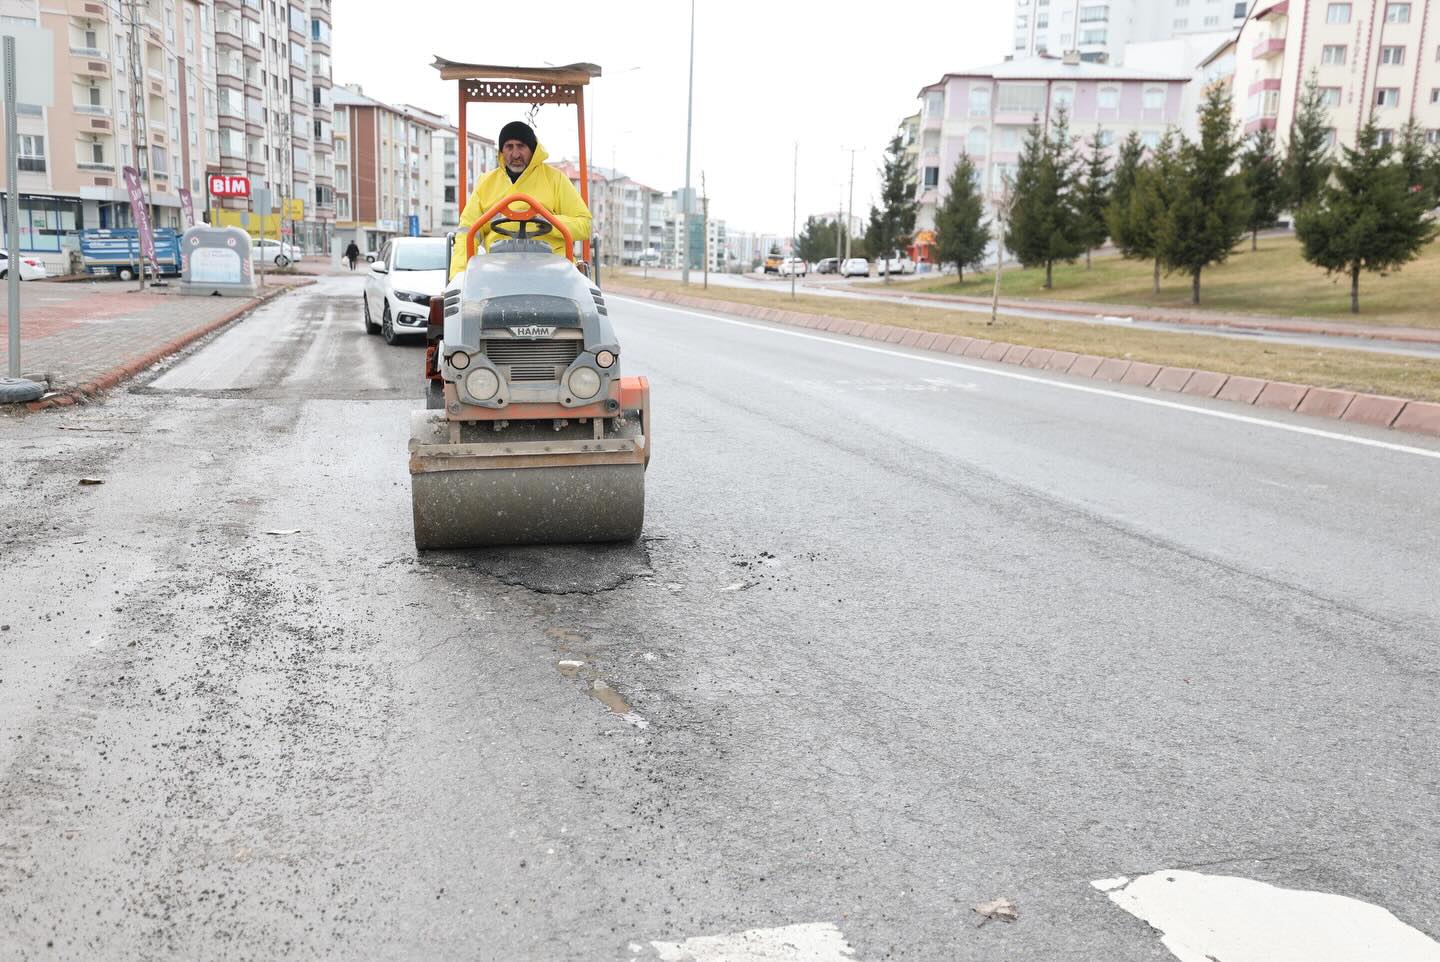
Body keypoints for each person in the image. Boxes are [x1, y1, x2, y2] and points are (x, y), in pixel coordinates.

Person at [447, 120, 592, 279]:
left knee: (580, 293)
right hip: (498, 268)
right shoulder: (486, 183)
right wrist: (458, 277)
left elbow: (584, 225)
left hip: (553, 269)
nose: (515, 154)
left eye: (521, 146)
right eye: (509, 147)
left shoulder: (555, 179)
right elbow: (467, 232)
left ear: (532, 149)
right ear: (502, 151)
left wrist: (550, 222)